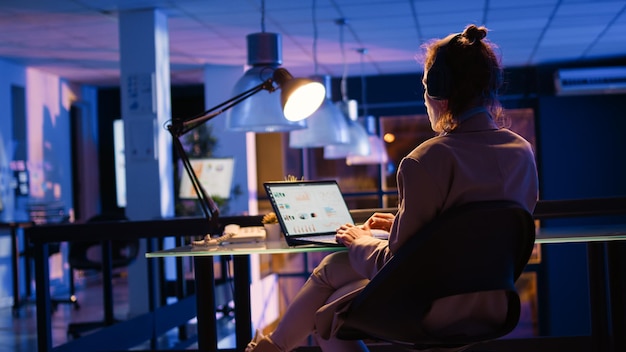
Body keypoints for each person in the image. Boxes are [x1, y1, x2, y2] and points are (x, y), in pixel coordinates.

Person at [245, 24, 539, 352]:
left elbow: (394, 267)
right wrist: (403, 224)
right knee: (330, 296)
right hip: (495, 302)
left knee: (328, 296)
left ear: (438, 88)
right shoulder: (521, 152)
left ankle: (269, 348)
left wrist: (360, 241)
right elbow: (470, 231)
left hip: (431, 304)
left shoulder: (425, 159)